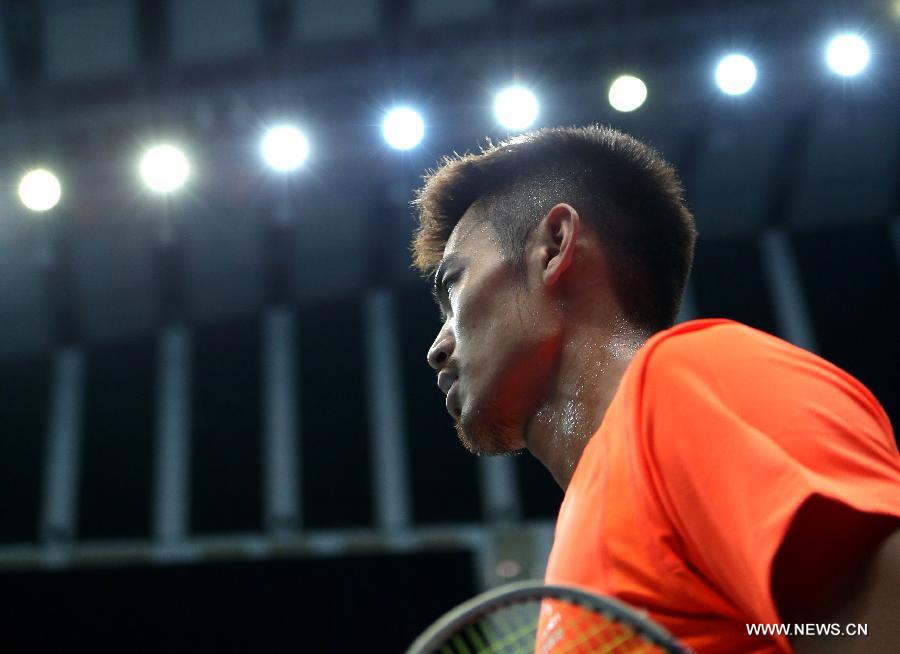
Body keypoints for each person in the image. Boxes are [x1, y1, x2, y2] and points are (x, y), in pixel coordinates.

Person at [411, 125, 900, 653]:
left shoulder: (688, 378)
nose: (436, 347)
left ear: (553, 247)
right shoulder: (580, 532)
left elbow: (866, 622)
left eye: (453, 285)